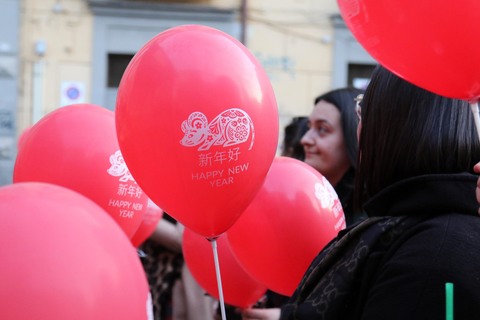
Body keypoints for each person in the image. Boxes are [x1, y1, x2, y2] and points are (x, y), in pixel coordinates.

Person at [277, 65, 480, 319]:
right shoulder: (411, 231)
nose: (305, 139)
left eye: (362, 110)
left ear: (390, 124)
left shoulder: (433, 254)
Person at [242, 87, 365, 320]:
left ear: (352, 136)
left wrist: (285, 316)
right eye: (309, 127)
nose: (305, 139)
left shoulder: (366, 224)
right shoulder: (290, 200)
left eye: (322, 130)